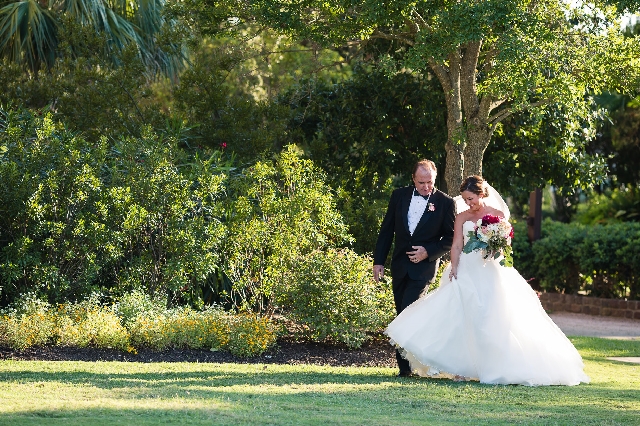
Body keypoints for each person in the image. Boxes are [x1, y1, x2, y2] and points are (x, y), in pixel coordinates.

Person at [385, 175, 590, 386]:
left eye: (471, 198)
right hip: (465, 268)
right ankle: (460, 368)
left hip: (490, 271)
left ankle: (493, 365)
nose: (468, 203)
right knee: (461, 317)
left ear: (482, 194)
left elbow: (506, 246)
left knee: (490, 317)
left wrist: (495, 246)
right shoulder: (461, 218)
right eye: (465, 199)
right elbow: (456, 245)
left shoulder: (498, 215)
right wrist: (454, 267)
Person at [373, 159, 456, 377]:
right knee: (400, 313)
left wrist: (428, 251)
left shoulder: (445, 203)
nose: (426, 187)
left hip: (423, 270)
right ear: (413, 179)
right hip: (399, 266)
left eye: (429, 182)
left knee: (408, 313)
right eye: (421, 183)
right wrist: (378, 261)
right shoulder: (398, 196)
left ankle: (407, 368)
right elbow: (386, 230)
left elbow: (450, 238)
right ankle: (406, 367)